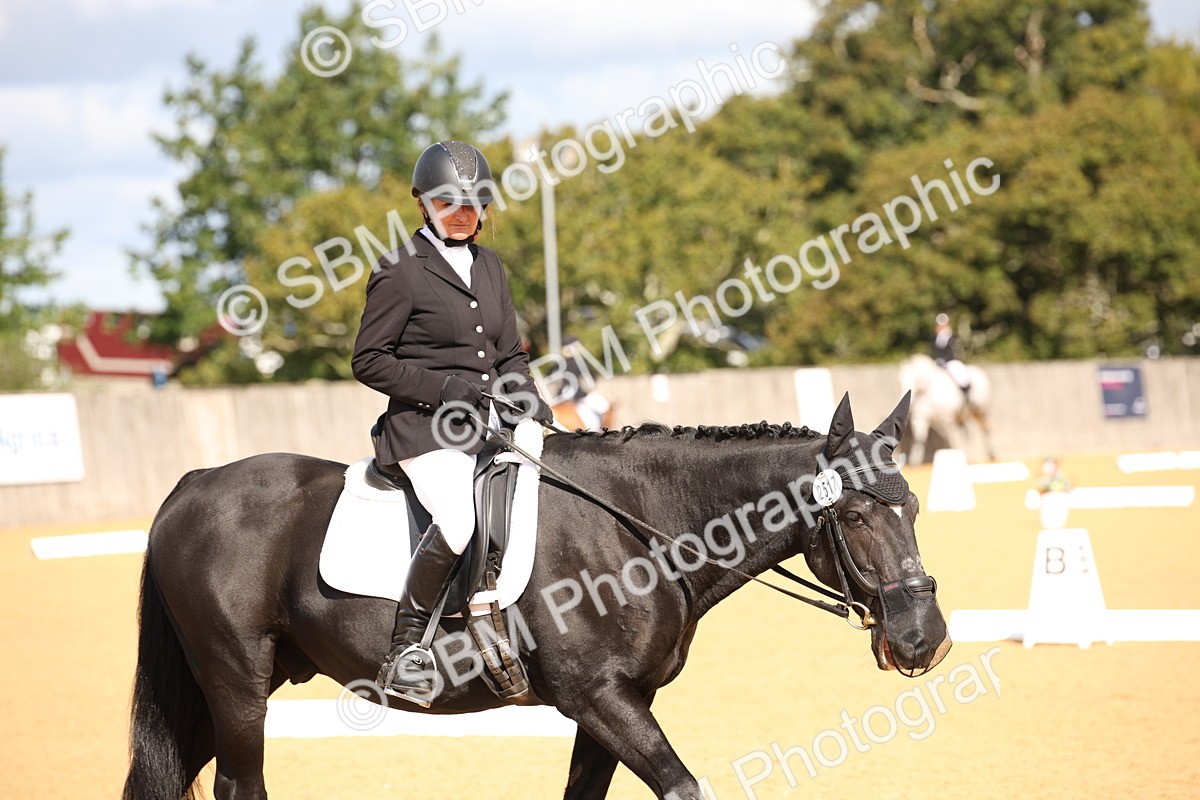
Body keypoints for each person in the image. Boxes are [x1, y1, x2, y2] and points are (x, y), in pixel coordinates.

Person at [351, 140, 553, 705]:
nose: (462, 213)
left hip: (487, 425)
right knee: (461, 518)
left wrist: (530, 401)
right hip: (423, 431)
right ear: (423, 203)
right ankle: (406, 650)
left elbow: (508, 353)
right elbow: (369, 360)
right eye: (449, 203)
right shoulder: (399, 269)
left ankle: (493, 612)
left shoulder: (490, 265)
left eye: (473, 203)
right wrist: (442, 390)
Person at [930, 312, 971, 395]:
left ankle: (965, 393)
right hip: (937, 362)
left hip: (950, 361)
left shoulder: (952, 337)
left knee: (958, 374)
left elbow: (953, 351)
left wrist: (944, 360)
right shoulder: (934, 338)